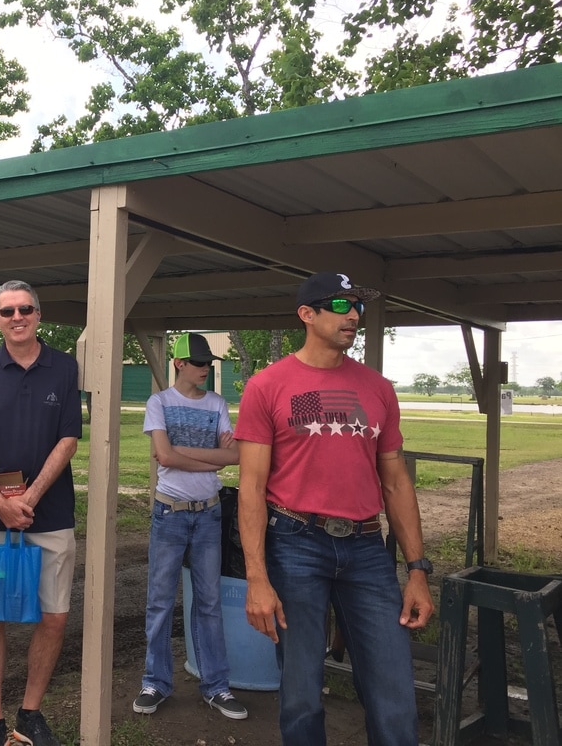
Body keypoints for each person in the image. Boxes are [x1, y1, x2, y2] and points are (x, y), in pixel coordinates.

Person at [235, 271, 435, 745]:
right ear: (307, 314)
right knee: (301, 691)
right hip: (295, 544)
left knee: (393, 691)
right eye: (341, 306)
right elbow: (251, 487)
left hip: (367, 550)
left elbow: (396, 481)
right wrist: (257, 578)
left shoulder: (379, 388)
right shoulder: (267, 386)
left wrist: (418, 570)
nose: (354, 316)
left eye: (358, 307)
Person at [0, 280, 83, 746]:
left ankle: (30, 712)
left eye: (24, 308)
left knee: (54, 614)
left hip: (50, 513)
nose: (16, 318)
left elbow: (69, 438)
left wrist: (27, 500)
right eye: (6, 312)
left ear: (38, 314)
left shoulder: (64, 367)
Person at [133, 333, 247, 720]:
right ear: (179, 364)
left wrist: (186, 456)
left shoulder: (217, 403)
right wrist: (211, 460)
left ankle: (216, 686)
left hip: (209, 513)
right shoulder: (159, 402)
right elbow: (165, 455)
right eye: (199, 362)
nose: (205, 369)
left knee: (209, 601)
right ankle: (155, 682)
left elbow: (232, 456)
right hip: (170, 514)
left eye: (208, 363)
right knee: (160, 600)